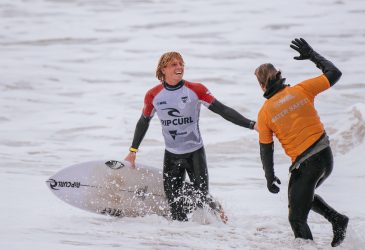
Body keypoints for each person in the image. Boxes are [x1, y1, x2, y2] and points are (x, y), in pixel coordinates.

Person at [125, 51, 256, 222]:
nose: (179, 67)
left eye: (181, 64)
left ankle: (214, 214)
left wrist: (252, 124)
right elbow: (143, 121)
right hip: (171, 156)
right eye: (174, 64)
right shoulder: (153, 95)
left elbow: (223, 110)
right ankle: (183, 241)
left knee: (201, 201)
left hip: (195, 154)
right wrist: (133, 151)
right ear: (163, 69)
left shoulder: (196, 90)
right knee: (175, 208)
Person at [255, 38, 349, 247]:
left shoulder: (265, 113)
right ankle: (337, 219)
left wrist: (269, 177)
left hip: (307, 164)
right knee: (301, 198)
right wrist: (312, 55)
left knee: (296, 218)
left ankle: (334, 223)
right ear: (278, 75)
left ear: (262, 85)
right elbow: (335, 73)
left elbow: (266, 150)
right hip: (325, 158)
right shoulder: (301, 89)